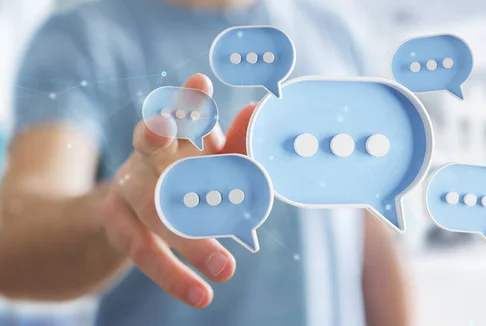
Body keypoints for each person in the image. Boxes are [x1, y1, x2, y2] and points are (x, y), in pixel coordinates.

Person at [0, 0, 411, 325]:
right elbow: (12, 241)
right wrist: (121, 205)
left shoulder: (334, 29)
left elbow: (364, 233)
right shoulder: (83, 38)